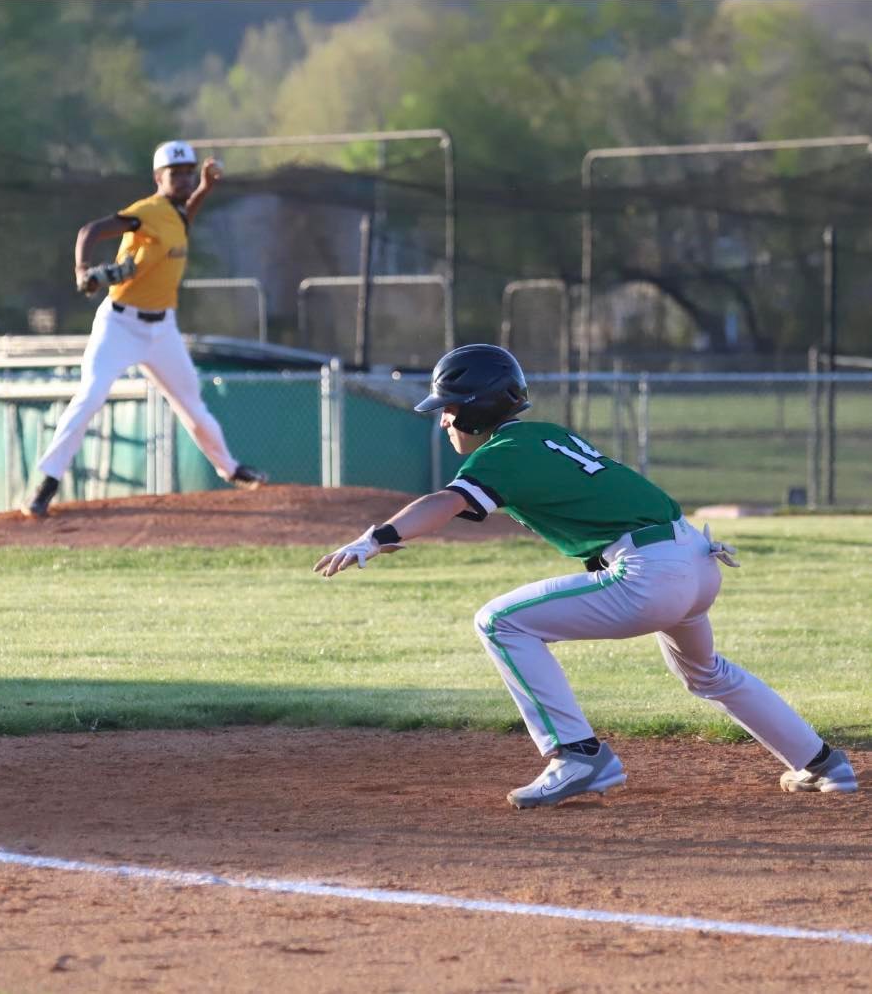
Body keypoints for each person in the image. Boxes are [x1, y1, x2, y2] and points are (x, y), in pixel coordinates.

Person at [314, 343, 857, 808]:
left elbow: (446, 502)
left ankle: (577, 755)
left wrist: (376, 539)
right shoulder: (543, 436)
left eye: (450, 408)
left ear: (477, 410)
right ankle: (824, 764)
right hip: (695, 556)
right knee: (706, 673)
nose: (444, 420)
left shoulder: (503, 452)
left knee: (500, 622)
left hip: (650, 573)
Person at [22, 140, 267, 519]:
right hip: (119, 324)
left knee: (193, 407)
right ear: (158, 177)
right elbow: (91, 230)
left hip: (162, 329)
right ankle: (48, 481)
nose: (184, 179)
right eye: (176, 174)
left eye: (188, 172)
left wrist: (205, 188)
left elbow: (184, 219)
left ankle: (231, 469)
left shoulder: (175, 214)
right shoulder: (147, 211)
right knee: (91, 396)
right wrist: (82, 271)